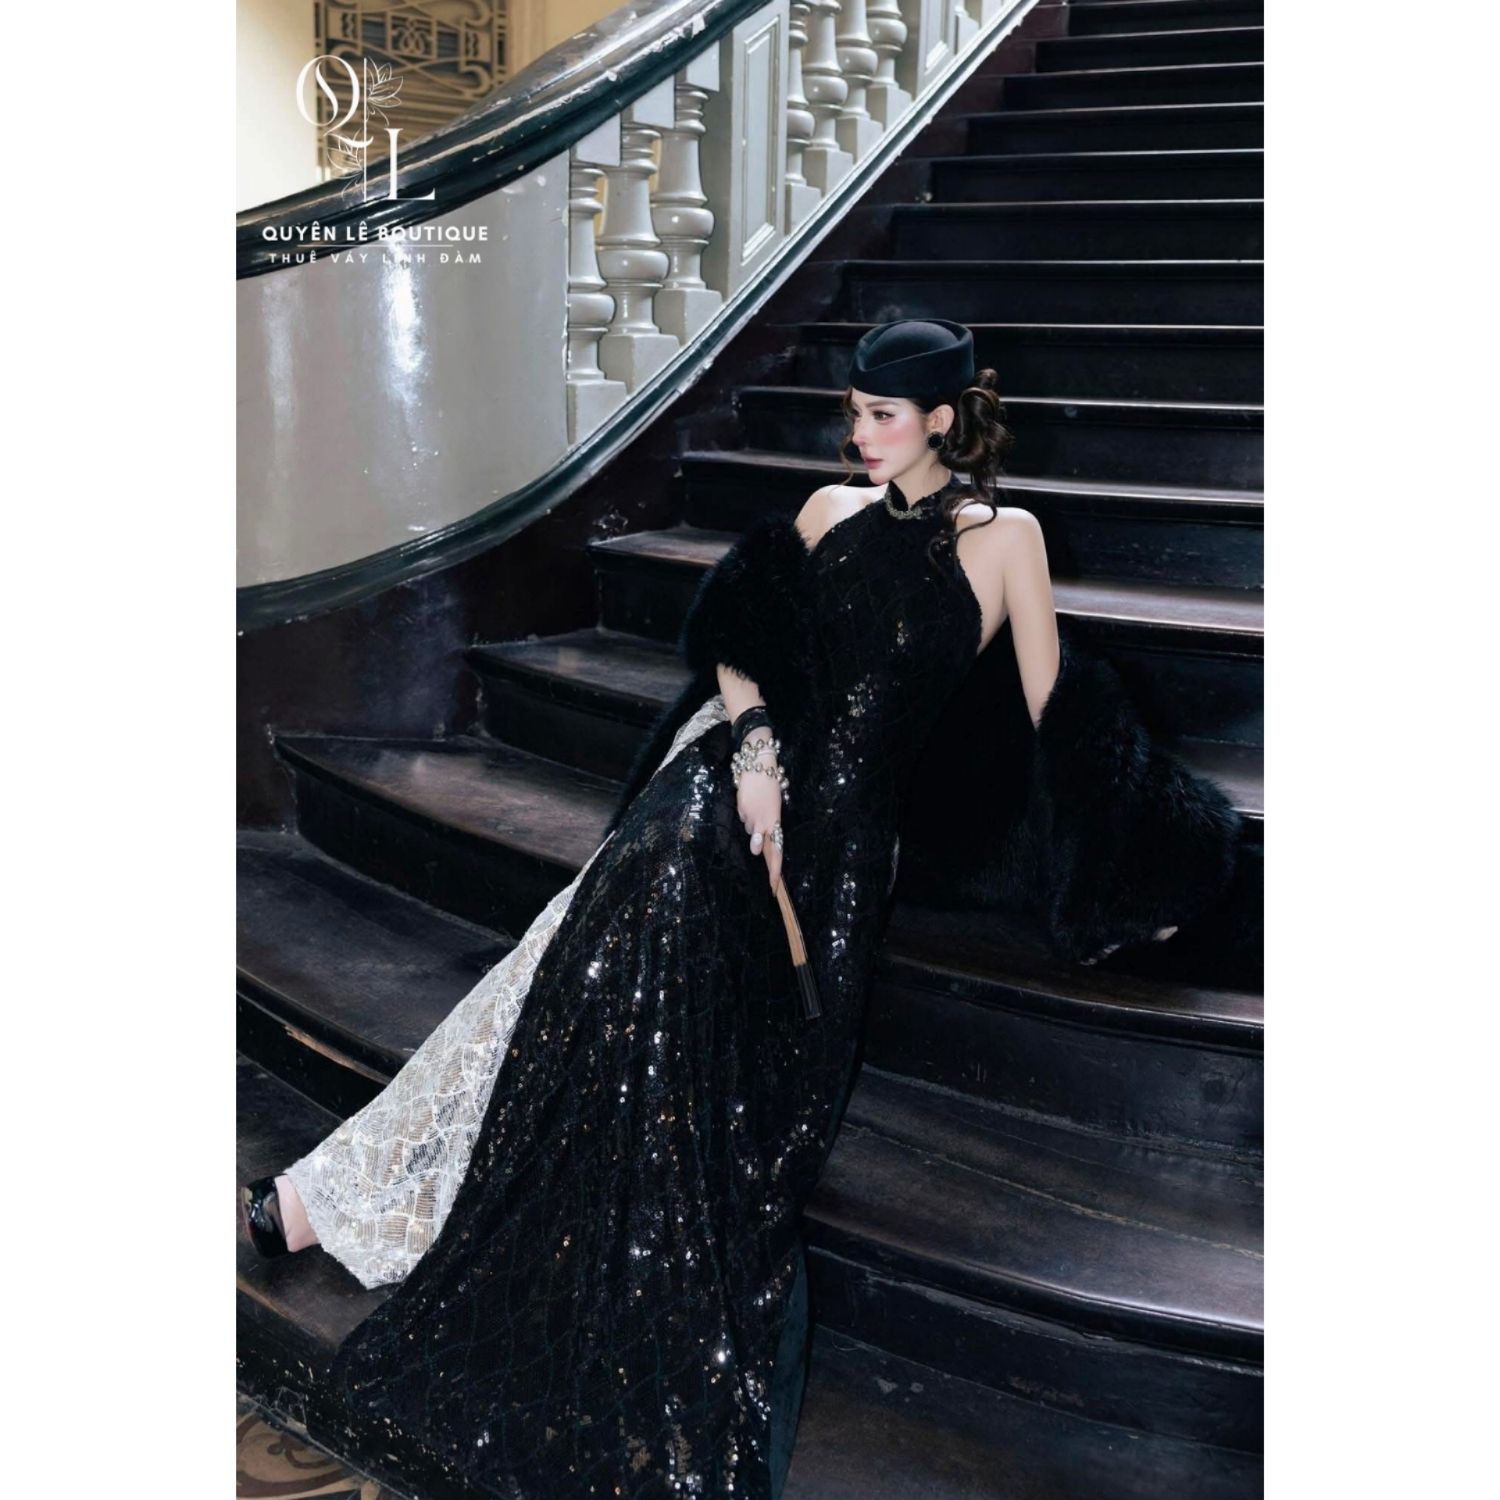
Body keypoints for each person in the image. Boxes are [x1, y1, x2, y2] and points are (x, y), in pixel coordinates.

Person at [238, 318, 1207, 1498]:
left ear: (944, 420)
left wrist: (1141, 867)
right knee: (615, 917)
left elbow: (1058, 712)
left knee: (660, 1002)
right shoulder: (827, 509)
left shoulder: (1011, 540)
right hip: (733, 787)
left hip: (838, 860)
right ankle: (337, 1193)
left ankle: (354, 1196)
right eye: (854, 412)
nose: (860, 434)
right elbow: (744, 644)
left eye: (883, 416)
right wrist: (750, 752)